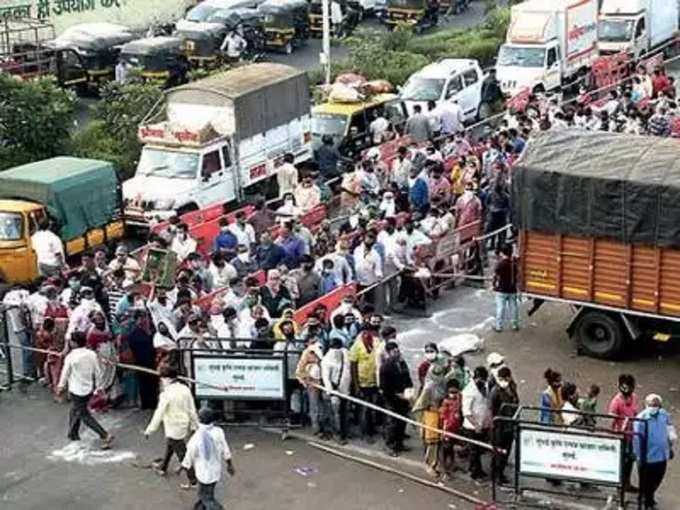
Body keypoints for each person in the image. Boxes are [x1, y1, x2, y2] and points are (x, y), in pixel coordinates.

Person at [57, 331, 114, 448]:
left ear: (73, 343)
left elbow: (65, 373)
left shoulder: (71, 357)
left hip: (76, 390)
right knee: (75, 409)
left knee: (84, 415)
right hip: (88, 388)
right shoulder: (91, 354)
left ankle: (104, 435)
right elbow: (98, 371)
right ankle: (72, 433)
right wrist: (99, 387)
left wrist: (60, 386)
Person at [145, 366, 199, 488]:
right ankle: (163, 467)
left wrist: (150, 429)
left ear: (167, 379)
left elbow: (159, 413)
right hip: (183, 425)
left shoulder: (166, 394)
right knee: (171, 445)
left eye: (162, 379)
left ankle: (193, 480)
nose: (161, 381)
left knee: (182, 454)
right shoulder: (185, 389)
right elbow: (192, 409)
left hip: (173, 426)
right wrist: (195, 425)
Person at [182, 408, 236, 510]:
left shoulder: (196, 438)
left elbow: (188, 458)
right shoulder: (219, 432)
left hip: (203, 473)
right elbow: (226, 450)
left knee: (206, 497)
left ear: (199, 420)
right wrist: (229, 465)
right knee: (208, 492)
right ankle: (200, 507)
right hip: (215, 471)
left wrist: (183, 467)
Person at [633, 394, 674, 510]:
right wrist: (639, 456)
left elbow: (669, 430)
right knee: (646, 481)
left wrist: (670, 447)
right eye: (651, 405)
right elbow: (637, 440)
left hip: (661, 455)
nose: (653, 407)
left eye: (656, 405)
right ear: (646, 405)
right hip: (647, 457)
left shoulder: (664, 415)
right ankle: (645, 501)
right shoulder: (641, 419)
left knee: (657, 479)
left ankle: (649, 497)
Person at [380, 342, 413, 457]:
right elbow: (384, 386)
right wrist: (396, 394)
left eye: (398, 351)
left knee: (402, 422)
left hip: (403, 397)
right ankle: (389, 445)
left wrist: (409, 391)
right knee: (392, 423)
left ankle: (399, 443)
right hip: (391, 399)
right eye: (394, 352)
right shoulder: (385, 367)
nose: (397, 353)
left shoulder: (402, 363)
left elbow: (407, 377)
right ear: (388, 353)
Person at [609, 373, 640, 491]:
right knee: (622, 461)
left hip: (632, 435)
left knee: (630, 461)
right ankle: (620, 485)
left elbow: (636, 413)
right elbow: (611, 421)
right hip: (621, 437)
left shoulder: (634, 398)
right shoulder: (616, 402)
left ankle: (627, 483)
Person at [350, 330, 382, 442]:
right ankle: (365, 433)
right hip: (362, 383)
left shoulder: (375, 346)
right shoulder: (356, 347)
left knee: (372, 408)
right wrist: (356, 386)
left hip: (373, 382)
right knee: (363, 409)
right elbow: (353, 366)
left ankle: (371, 428)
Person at [489, 366, 518, 484]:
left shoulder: (512, 387)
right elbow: (492, 410)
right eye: (501, 379)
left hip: (510, 424)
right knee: (498, 452)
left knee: (506, 450)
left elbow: (516, 401)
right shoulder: (495, 392)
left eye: (505, 379)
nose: (503, 382)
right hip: (499, 426)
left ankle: (501, 472)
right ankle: (496, 475)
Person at [462, 366, 491, 481]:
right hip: (472, 426)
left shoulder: (485, 387)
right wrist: (476, 425)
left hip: (483, 423)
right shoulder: (469, 391)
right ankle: (474, 472)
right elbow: (466, 412)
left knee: (480, 449)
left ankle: (477, 469)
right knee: (474, 450)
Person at [321, 338, 351, 444]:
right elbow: (326, 379)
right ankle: (337, 435)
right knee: (335, 414)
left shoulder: (345, 353)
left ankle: (344, 432)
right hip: (334, 392)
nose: (336, 350)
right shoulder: (326, 360)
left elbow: (348, 370)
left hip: (345, 390)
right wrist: (332, 393)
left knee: (344, 412)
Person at [439, 379, 462, 480]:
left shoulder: (459, 400)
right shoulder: (445, 402)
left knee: (451, 449)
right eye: (451, 392)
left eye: (455, 392)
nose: (453, 394)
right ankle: (445, 471)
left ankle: (452, 466)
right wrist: (444, 430)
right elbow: (442, 416)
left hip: (455, 429)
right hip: (447, 430)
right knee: (446, 450)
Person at [493, 244, 519, 332]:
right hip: (512, 288)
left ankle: (498, 326)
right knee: (513, 307)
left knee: (500, 308)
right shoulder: (514, 263)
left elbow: (496, 274)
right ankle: (514, 324)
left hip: (501, 289)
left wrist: (494, 285)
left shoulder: (500, 264)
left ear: (502, 252)